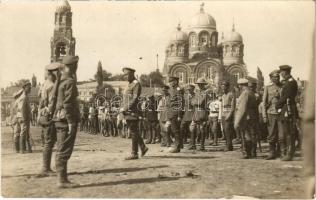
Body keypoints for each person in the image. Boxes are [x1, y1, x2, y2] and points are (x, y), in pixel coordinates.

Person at [53, 55, 80, 188]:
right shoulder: (69, 81)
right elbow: (68, 103)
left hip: (59, 118)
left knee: (61, 148)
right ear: (74, 66)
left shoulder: (61, 80)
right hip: (66, 120)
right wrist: (70, 122)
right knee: (64, 149)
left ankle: (62, 178)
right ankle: (62, 180)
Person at [37, 62, 62, 177]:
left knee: (48, 142)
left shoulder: (44, 84)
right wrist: (53, 114)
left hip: (43, 115)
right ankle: (45, 168)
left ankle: (46, 167)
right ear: (53, 73)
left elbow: (41, 101)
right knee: (49, 143)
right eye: (57, 72)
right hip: (49, 116)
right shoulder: (52, 85)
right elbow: (52, 102)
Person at [120, 67, 148, 160]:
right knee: (134, 131)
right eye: (124, 75)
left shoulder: (136, 84)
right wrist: (122, 108)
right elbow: (126, 99)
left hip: (132, 111)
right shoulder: (129, 84)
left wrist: (126, 108)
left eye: (126, 74)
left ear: (132, 74)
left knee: (133, 131)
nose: (125, 76)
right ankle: (143, 147)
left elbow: (135, 99)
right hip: (127, 111)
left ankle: (134, 153)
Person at [275, 65, 298, 161]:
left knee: (289, 132)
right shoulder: (289, 82)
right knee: (287, 132)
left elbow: (286, 97)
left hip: (288, 109)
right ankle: (289, 153)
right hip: (287, 108)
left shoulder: (290, 83)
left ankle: (289, 154)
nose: (281, 75)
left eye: (281, 73)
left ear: (285, 72)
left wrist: (277, 104)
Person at [234, 78, 257, 159]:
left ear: (241, 85)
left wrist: (237, 121)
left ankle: (247, 153)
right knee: (251, 134)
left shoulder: (245, 94)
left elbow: (242, 108)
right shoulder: (251, 93)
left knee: (246, 135)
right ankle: (252, 152)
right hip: (252, 116)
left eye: (239, 85)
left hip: (246, 117)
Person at [262, 70, 282, 160]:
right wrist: (264, 115)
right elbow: (264, 102)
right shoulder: (268, 87)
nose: (277, 78)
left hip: (281, 113)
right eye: (275, 77)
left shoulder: (283, 86)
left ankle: (280, 151)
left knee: (281, 134)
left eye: (278, 77)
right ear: (271, 78)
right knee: (271, 134)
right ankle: (272, 152)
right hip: (271, 113)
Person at [189, 78, 209, 151]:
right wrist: (195, 101)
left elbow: (200, 102)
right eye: (198, 84)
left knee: (202, 129)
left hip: (202, 112)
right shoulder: (197, 92)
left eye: (201, 84)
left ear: (204, 85)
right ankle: (193, 144)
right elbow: (191, 102)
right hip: (196, 112)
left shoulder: (205, 93)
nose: (199, 85)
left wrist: (195, 101)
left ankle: (202, 145)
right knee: (192, 128)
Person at [167, 76, 184, 153]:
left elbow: (180, 103)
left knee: (175, 130)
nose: (170, 83)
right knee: (174, 130)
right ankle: (178, 144)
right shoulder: (172, 90)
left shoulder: (178, 90)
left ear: (175, 82)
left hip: (175, 112)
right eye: (169, 81)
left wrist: (179, 115)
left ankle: (177, 146)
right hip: (171, 112)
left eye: (171, 81)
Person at [16, 80, 32, 153]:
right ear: (24, 87)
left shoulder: (26, 96)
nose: (30, 88)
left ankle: (25, 148)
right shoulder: (23, 97)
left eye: (30, 87)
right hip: (23, 117)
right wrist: (23, 117)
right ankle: (22, 149)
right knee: (23, 132)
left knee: (25, 132)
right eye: (28, 87)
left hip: (25, 117)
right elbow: (22, 108)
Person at [219, 81, 235, 151]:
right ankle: (227, 145)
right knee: (225, 131)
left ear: (228, 87)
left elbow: (233, 107)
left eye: (224, 86)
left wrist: (230, 115)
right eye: (222, 87)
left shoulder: (231, 95)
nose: (223, 88)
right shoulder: (223, 96)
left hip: (229, 114)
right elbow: (222, 107)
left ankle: (229, 146)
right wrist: (221, 116)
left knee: (228, 130)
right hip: (223, 114)